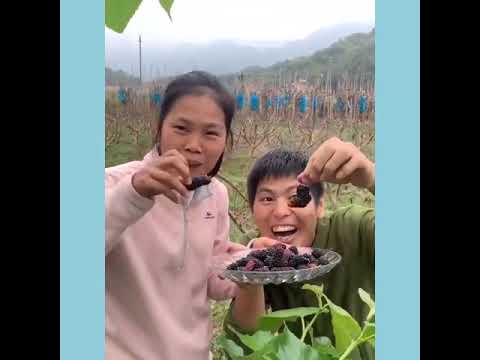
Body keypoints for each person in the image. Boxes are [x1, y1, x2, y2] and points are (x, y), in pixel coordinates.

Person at [105, 71, 245, 360]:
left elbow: (211, 279)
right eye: (181, 128)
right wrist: (134, 194)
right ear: (160, 127)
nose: (194, 145)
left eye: (211, 133)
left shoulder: (215, 194)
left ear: (225, 140)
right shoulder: (114, 184)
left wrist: (252, 263)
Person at [224, 138, 375, 360]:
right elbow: (243, 347)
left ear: (320, 205)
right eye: (267, 198)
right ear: (251, 209)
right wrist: (251, 280)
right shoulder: (254, 253)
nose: (281, 211)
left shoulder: (353, 229)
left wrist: (373, 176)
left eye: (296, 197)